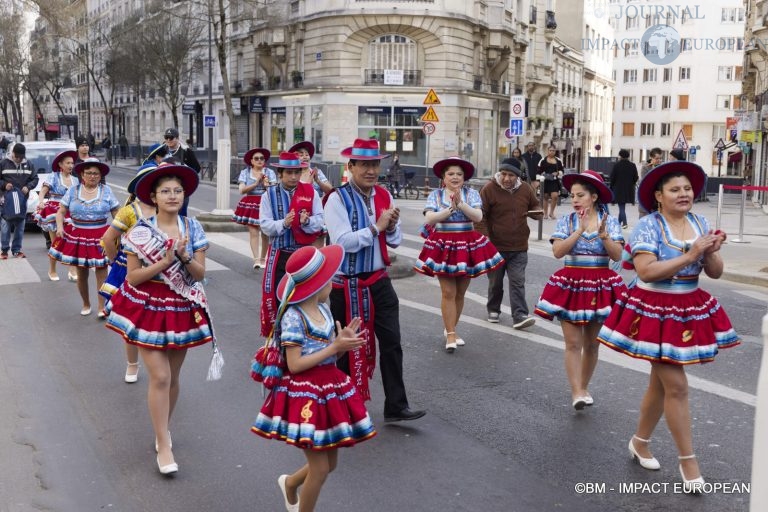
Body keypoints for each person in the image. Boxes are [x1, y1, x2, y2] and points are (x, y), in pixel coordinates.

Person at [598, 161, 739, 492]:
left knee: (660, 385)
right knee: (676, 386)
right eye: (675, 189)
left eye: (687, 188)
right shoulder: (648, 226)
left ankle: (639, 441)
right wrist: (692, 255)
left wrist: (711, 252)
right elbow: (646, 272)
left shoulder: (699, 221)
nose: (684, 194)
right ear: (658, 196)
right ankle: (688, 462)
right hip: (653, 310)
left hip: (688, 308)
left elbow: (715, 272)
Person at [105, 163, 213, 476]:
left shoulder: (193, 228)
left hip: (180, 305)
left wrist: (184, 257)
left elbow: (201, 275)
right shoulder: (140, 231)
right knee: (161, 377)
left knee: (174, 377)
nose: (172, 195)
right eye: (165, 191)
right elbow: (134, 277)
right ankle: (164, 444)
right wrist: (164, 261)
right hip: (148, 304)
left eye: (177, 191)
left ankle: (161, 430)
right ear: (153, 196)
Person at [251, 245, 376, 512]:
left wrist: (342, 342)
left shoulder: (325, 310)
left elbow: (326, 348)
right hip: (306, 393)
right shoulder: (294, 318)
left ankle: (290, 483)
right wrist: (334, 348)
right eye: (329, 278)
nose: (332, 282)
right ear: (318, 284)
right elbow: (295, 365)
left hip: (330, 387)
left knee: (330, 465)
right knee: (319, 469)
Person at [324, 138, 426, 422]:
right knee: (344, 348)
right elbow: (342, 242)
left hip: (379, 282)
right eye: (364, 165)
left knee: (392, 343)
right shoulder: (336, 198)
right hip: (346, 286)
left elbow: (395, 241)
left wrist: (390, 227)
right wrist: (377, 226)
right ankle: (344, 407)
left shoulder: (384, 195)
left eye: (374, 165)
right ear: (351, 166)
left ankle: (396, 405)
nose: (370, 170)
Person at [534, 170, 626, 409]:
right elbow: (558, 252)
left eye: (580, 195)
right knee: (573, 343)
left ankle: (583, 387)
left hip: (601, 283)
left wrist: (604, 236)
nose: (574, 199)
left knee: (592, 344)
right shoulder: (567, 220)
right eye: (572, 195)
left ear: (593, 197)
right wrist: (579, 230)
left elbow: (618, 255)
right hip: (571, 283)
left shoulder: (610, 220)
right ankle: (576, 392)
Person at [415, 157, 503, 352]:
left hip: (467, 244)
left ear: (464, 177)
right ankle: (452, 334)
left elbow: (478, 216)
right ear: (443, 177)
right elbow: (430, 218)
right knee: (448, 292)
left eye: (459, 174)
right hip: (443, 244)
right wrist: (450, 209)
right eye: (451, 174)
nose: (455, 177)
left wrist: (461, 204)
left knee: (460, 292)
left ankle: (450, 328)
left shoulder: (471, 194)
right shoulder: (435, 195)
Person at [100, 163, 159, 383]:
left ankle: (158, 364)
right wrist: (116, 260)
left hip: (160, 271)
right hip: (131, 271)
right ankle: (132, 364)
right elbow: (108, 238)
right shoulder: (129, 211)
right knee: (131, 320)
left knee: (157, 318)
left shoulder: (167, 209)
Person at [259, 152, 324, 337]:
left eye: (297, 172)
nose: (294, 176)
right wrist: (284, 224)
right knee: (278, 298)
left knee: (305, 299)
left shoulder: (310, 192)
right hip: (279, 255)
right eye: (289, 172)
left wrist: (307, 222)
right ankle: (277, 344)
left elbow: (320, 220)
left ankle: (302, 342)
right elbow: (265, 225)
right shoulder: (269, 195)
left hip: (303, 256)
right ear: (280, 173)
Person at [476, 159, 543, 328]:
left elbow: (535, 206)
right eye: (504, 174)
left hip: (519, 246)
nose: (506, 178)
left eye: (511, 175)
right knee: (495, 283)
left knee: (517, 282)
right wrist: (485, 239)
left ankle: (520, 315)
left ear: (517, 176)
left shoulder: (526, 189)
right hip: (495, 247)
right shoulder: (489, 189)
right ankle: (493, 309)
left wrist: (537, 213)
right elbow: (480, 216)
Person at [49, 158, 120, 316]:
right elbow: (60, 211)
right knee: (82, 273)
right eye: (89, 173)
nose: (93, 176)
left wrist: (122, 230)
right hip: (78, 235)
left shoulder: (106, 191)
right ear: (82, 174)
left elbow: (116, 213)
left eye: (96, 173)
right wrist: (60, 227)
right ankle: (86, 303)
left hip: (101, 235)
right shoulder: (73, 191)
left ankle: (102, 306)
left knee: (102, 271)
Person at [34, 150, 79, 280]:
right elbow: (43, 191)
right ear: (60, 164)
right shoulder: (53, 176)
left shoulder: (75, 180)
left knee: (72, 241)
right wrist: (41, 201)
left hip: (70, 212)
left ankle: (72, 270)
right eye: (67, 163)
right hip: (54, 210)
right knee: (56, 243)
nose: (71, 165)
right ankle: (52, 270)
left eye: (72, 163)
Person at [233, 147, 277, 269]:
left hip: (266, 203)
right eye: (256, 158)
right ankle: (256, 259)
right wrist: (256, 183)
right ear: (251, 161)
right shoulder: (245, 172)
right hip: (251, 202)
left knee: (265, 233)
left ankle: (263, 258)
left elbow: (274, 190)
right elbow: (242, 190)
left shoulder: (270, 172)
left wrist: (266, 185)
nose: (259, 160)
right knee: (253, 232)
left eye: (262, 158)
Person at [1, 143, 38, 259]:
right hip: (6, 200)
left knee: (20, 225)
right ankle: (4, 250)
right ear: (12, 153)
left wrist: (28, 186)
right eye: (16, 157)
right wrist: (4, 185)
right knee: (5, 225)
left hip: (22, 200)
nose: (18, 159)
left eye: (20, 157)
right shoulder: (3, 163)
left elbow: (35, 178)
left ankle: (16, 250)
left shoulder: (29, 164)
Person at [163, 128, 201, 217]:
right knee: (164, 213)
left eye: (171, 138)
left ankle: (182, 229)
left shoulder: (186, 151)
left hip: (180, 187)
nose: (168, 140)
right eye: (166, 137)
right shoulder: (161, 150)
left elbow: (196, 168)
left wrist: (187, 176)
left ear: (177, 138)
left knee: (181, 214)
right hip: (164, 186)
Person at [610, 149, 639, 229]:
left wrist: (611, 187)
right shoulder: (632, 165)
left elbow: (612, 177)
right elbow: (636, 177)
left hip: (618, 189)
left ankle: (625, 223)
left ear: (620, 156)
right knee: (622, 206)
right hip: (629, 189)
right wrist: (631, 183)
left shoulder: (617, 165)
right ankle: (618, 223)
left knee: (621, 207)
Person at [537, 146, 564, 219]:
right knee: (545, 197)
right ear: (548, 151)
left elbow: (562, 170)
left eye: (553, 151)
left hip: (554, 181)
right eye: (550, 150)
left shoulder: (558, 160)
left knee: (555, 196)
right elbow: (538, 171)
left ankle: (551, 212)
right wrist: (539, 180)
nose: (552, 152)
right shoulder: (543, 160)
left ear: (555, 152)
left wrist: (558, 173)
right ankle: (545, 213)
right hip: (544, 181)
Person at [638, 147, 662, 218]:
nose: (659, 160)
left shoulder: (662, 167)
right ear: (651, 157)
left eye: (660, 158)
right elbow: (646, 182)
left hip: (658, 201)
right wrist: (653, 168)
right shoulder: (645, 167)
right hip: (647, 199)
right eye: (657, 158)